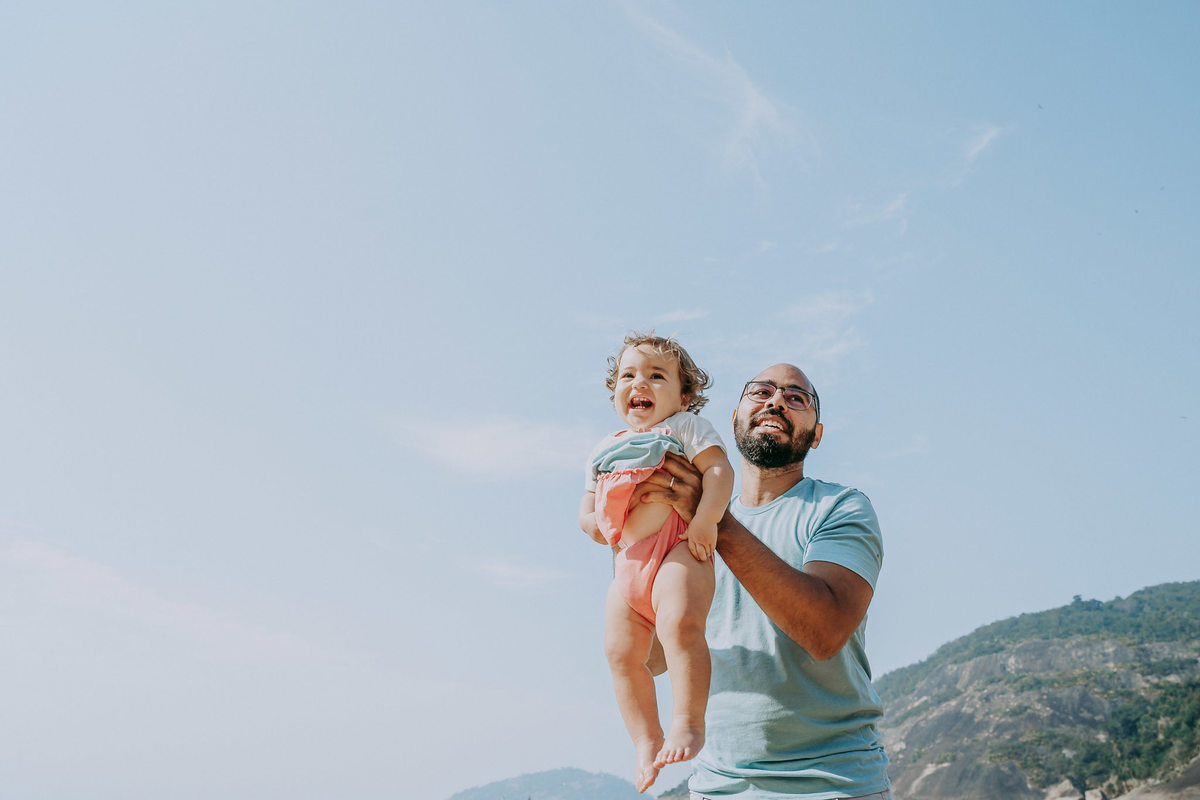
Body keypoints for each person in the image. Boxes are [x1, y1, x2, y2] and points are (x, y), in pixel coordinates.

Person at [638, 363, 892, 800]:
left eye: (797, 398)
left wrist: (715, 520)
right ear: (735, 415)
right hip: (716, 787)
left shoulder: (841, 508)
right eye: (762, 391)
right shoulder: (680, 523)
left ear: (816, 434)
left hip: (833, 785)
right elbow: (656, 658)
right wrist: (634, 551)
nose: (776, 400)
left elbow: (823, 630)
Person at [579, 332, 735, 794]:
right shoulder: (604, 447)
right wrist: (593, 525)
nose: (638, 383)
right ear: (614, 393)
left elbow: (719, 471)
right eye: (628, 375)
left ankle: (688, 721)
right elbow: (585, 511)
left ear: (685, 395)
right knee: (621, 655)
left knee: (681, 624)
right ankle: (646, 739)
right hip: (626, 564)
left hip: (679, 546)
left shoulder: (686, 428)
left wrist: (707, 518)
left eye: (655, 375)